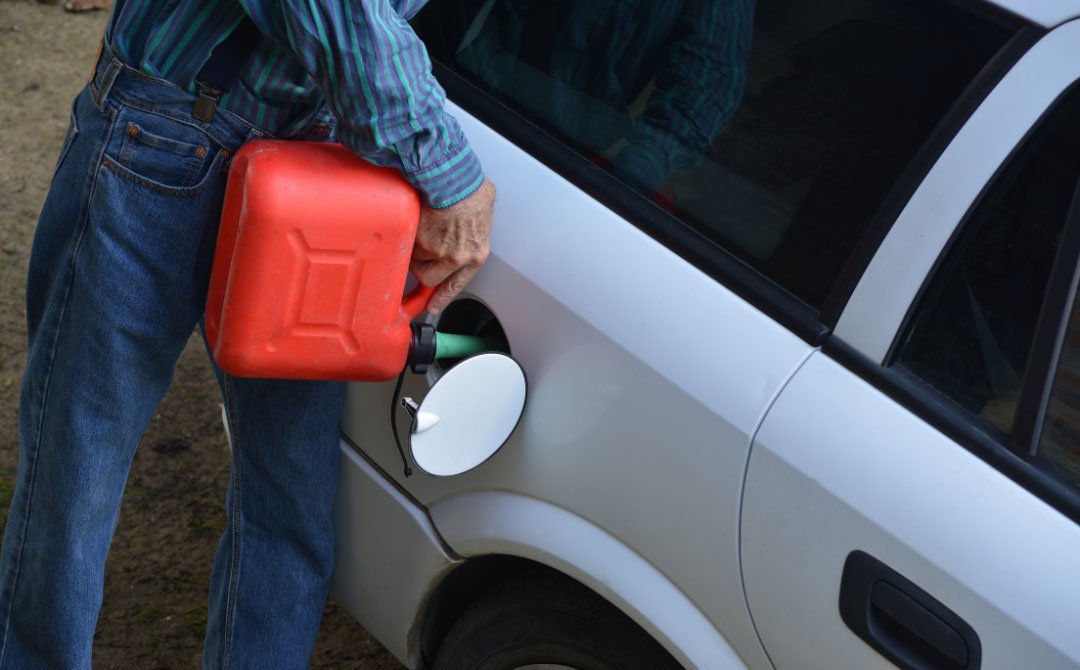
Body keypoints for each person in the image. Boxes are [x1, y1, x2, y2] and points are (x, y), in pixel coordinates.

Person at [0, 1, 495, 668]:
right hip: (167, 127)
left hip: (313, 160)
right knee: (77, 467)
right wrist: (448, 172)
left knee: (289, 501)